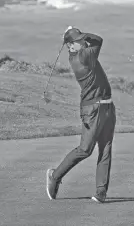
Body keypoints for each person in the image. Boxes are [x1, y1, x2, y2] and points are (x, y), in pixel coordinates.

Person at [46, 26, 116, 203]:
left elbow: (93, 42)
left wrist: (76, 35)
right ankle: (55, 175)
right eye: (77, 41)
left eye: (81, 41)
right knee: (85, 150)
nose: (82, 42)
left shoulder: (83, 52)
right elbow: (98, 39)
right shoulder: (81, 56)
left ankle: (101, 192)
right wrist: (81, 35)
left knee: (106, 148)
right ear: (70, 46)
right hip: (93, 110)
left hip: (107, 107)